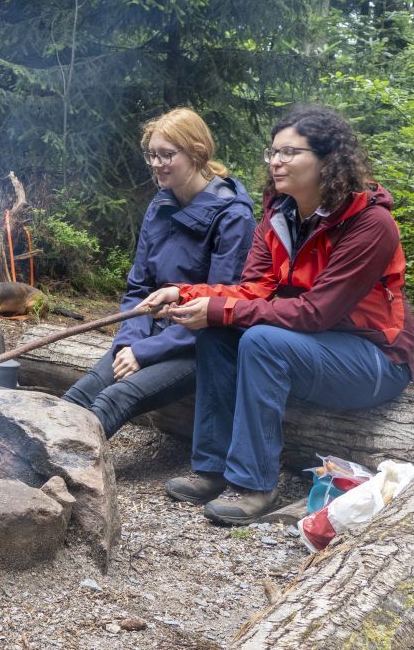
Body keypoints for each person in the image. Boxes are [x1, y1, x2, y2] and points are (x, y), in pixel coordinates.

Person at [143, 105, 414, 525]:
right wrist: (186, 292)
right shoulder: (281, 215)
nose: (275, 161)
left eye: (290, 153)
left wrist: (221, 309)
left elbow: (315, 312)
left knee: (260, 339)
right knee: (218, 334)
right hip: (311, 345)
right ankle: (212, 468)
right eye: (273, 152)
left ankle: (255, 484)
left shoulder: (370, 224)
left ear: (328, 160)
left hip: (376, 358)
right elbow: (254, 289)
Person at [61, 107, 256, 438]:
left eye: (167, 155)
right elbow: (139, 287)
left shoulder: (232, 217)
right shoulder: (160, 204)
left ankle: (67, 475)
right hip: (148, 334)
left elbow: (217, 307)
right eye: (152, 155)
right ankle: (26, 468)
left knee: (112, 399)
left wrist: (144, 352)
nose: (156, 164)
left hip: (199, 346)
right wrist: (130, 341)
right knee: (79, 394)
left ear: (196, 153)